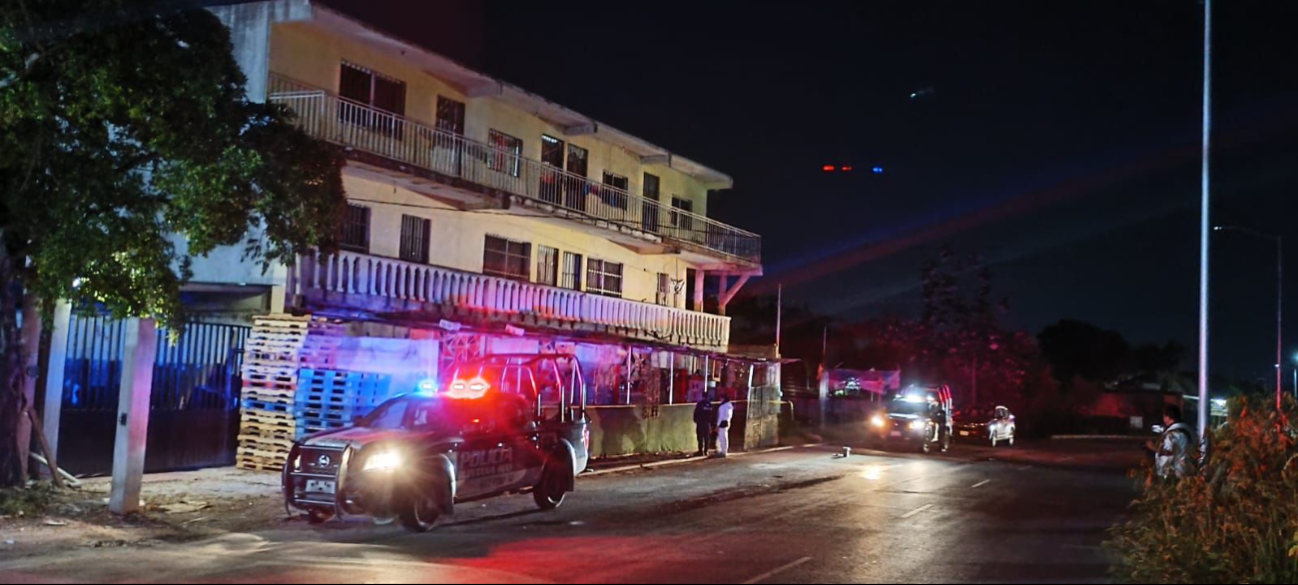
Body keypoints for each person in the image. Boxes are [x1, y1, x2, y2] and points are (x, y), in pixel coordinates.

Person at [1149, 405, 1192, 479]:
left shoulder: (1171, 435)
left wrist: (1152, 447)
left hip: (1173, 474)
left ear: (1167, 417)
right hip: (1188, 471)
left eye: (1164, 416)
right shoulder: (1188, 431)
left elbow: (1168, 454)